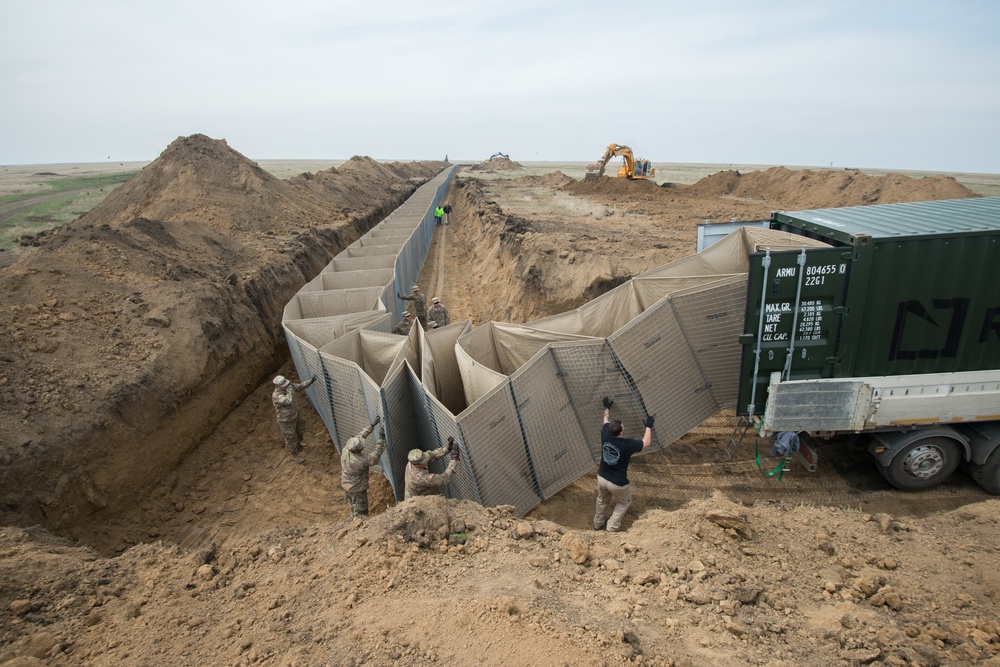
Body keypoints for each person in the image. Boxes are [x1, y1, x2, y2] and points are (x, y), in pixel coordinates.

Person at [594, 397, 653, 532]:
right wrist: (648, 426)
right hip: (618, 483)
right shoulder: (627, 444)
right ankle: (611, 528)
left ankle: (597, 524)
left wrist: (606, 408)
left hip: (602, 477)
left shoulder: (605, 433)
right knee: (623, 503)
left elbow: (605, 420)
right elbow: (646, 442)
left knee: (602, 501)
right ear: (621, 432)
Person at [340, 417, 386, 518]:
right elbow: (375, 457)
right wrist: (381, 440)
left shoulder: (346, 449)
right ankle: (359, 525)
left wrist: (371, 426)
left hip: (347, 485)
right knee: (361, 510)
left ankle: (353, 518)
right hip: (357, 488)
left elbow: (359, 436)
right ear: (358, 450)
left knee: (352, 505)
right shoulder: (359, 461)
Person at [271, 374, 318, 463]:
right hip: (286, 420)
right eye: (283, 385)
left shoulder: (288, 386)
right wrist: (290, 390)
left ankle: (299, 442)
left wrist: (310, 381)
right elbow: (289, 401)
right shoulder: (276, 395)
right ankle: (294, 454)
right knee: (290, 437)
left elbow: (299, 386)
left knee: (301, 428)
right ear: (278, 386)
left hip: (295, 414)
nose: (286, 385)